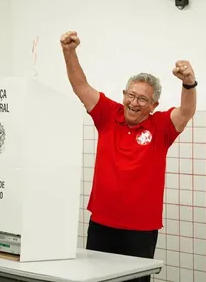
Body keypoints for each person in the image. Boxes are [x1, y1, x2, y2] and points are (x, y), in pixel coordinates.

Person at [60, 31, 197, 282]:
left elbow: (186, 111)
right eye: (130, 95)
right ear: (124, 94)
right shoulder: (107, 114)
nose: (134, 103)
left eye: (143, 99)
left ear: (154, 105)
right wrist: (69, 52)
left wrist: (188, 82)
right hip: (101, 225)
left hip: (140, 231)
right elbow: (80, 85)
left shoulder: (161, 127)